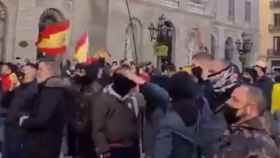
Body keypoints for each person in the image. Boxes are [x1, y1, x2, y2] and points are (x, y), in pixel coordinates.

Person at [207, 85, 279, 158]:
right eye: (230, 98)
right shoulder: (234, 130)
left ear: (251, 108)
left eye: (235, 100)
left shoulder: (258, 146)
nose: (228, 102)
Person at [18, 61, 70, 158]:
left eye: (41, 69)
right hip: (44, 144)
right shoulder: (48, 89)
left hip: (43, 147)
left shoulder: (51, 91)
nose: (37, 72)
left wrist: (24, 121)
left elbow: (42, 120)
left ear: (50, 72)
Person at [92, 67, 143, 158]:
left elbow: (137, 123)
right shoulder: (103, 99)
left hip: (131, 147)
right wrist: (104, 149)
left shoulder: (133, 99)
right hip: (112, 149)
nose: (129, 88)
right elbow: (97, 128)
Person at [3, 63, 38, 158]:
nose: (22, 72)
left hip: (20, 127)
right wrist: (11, 89)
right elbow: (4, 103)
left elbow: (35, 108)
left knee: (17, 153)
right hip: (9, 124)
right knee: (7, 152)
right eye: (22, 69)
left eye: (25, 70)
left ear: (33, 72)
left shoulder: (36, 89)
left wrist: (23, 117)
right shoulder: (18, 87)